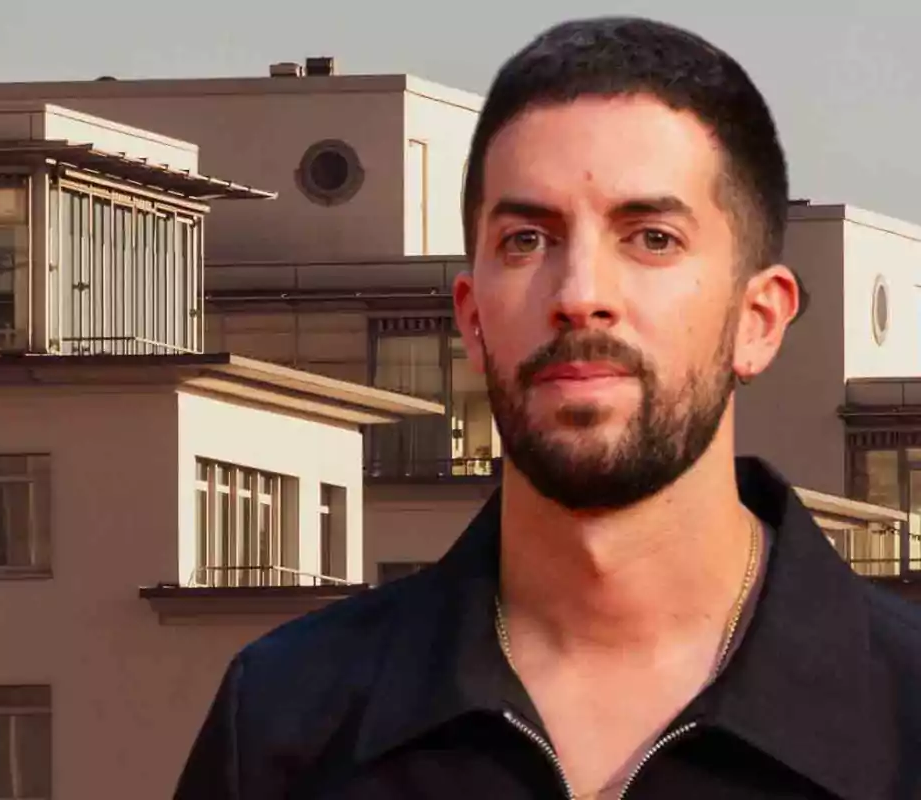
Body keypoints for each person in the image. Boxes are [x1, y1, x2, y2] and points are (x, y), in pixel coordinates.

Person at [174, 16, 921, 799]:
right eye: (527, 240)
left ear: (758, 320)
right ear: (471, 318)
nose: (579, 296)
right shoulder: (286, 721)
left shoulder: (903, 721)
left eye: (652, 238)